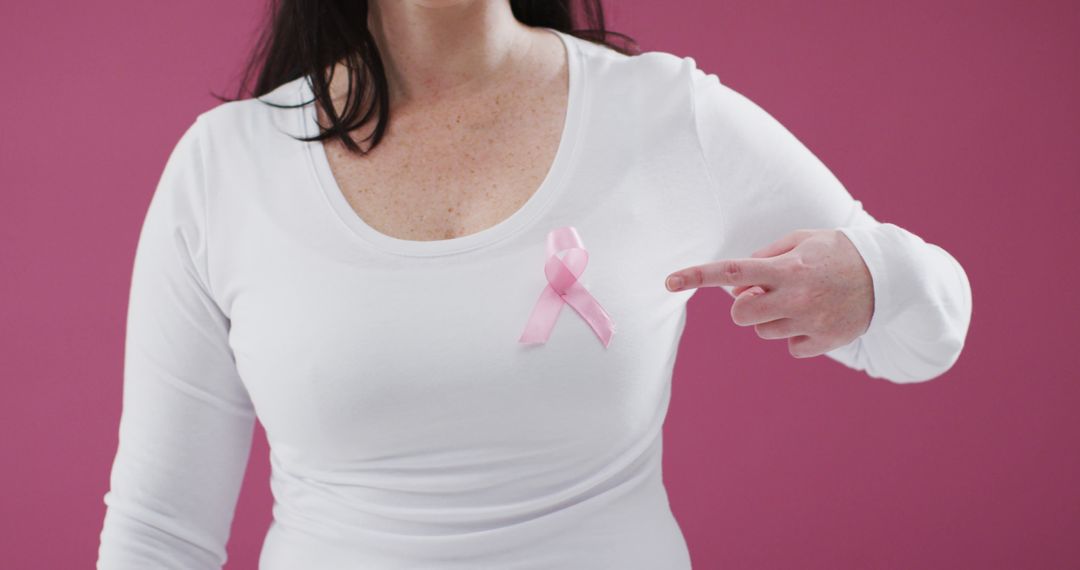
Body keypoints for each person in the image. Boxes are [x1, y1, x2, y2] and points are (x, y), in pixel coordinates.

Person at [96, 1, 973, 568]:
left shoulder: (662, 116)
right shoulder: (227, 166)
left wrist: (874, 276)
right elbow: (159, 533)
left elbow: (926, 336)